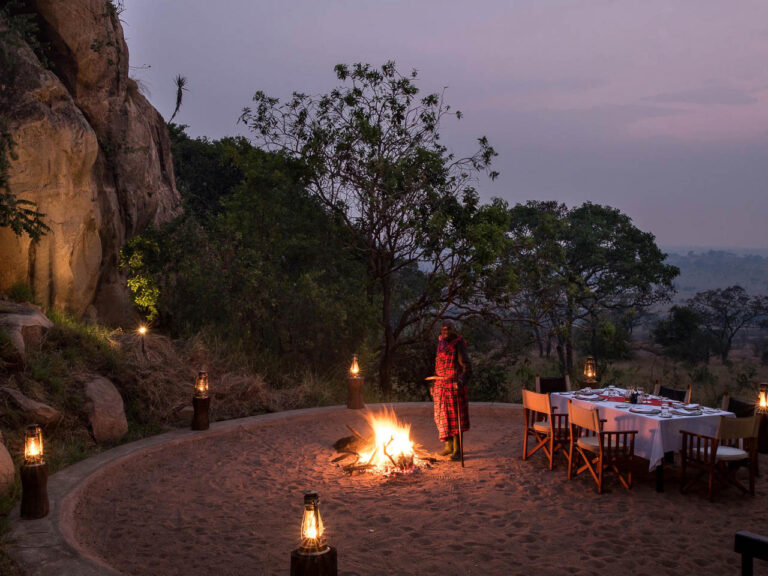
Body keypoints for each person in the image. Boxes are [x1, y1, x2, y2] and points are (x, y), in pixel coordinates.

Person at [430, 320, 471, 461]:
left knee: (455, 420)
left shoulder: (458, 344)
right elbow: (438, 365)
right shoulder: (441, 343)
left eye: (448, 329)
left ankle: (457, 450)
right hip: (440, 385)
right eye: (443, 330)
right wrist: (434, 384)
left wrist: (461, 381)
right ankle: (448, 447)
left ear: (453, 330)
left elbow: (467, 367)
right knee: (442, 418)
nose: (445, 332)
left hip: (453, 385)